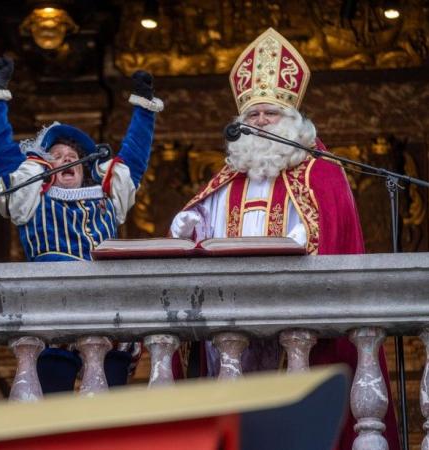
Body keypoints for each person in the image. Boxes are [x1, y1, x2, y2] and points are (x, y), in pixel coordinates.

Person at [169, 28, 399, 450]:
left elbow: (331, 236)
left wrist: (304, 237)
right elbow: (203, 222)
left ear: (292, 122)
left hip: (298, 319)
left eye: (269, 115)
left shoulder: (322, 172)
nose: (258, 123)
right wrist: (190, 224)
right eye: (252, 116)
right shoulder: (227, 178)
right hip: (233, 316)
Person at [0, 56, 163, 392]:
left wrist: (144, 108)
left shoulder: (107, 197)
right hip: (53, 307)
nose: (66, 160)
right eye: (57, 156)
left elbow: (133, 157)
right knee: (54, 399)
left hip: (109, 309)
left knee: (111, 405)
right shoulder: (31, 199)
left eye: (72, 157)